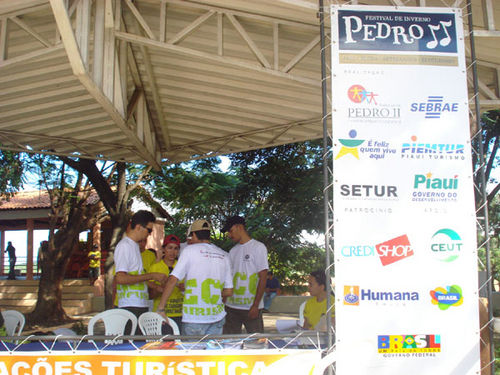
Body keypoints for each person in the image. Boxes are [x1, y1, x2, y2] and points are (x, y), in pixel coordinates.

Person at [156, 219, 233, 335]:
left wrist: (161, 308)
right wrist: (209, 292)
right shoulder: (224, 255)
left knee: (193, 352)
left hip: (195, 318)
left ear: (194, 235)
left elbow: (172, 280)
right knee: (213, 352)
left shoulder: (189, 251)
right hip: (217, 317)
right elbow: (228, 291)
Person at [114, 210, 168, 333]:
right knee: (133, 346)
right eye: (149, 230)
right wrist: (151, 275)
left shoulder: (134, 246)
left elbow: (135, 276)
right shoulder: (124, 246)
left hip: (140, 304)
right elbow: (120, 278)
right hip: (130, 306)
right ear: (138, 227)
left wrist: (155, 286)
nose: (149, 234)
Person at [222, 216, 268, 334]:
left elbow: (263, 277)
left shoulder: (258, 247)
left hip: (251, 307)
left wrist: (256, 305)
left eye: (230, 231)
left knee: (257, 343)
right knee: (229, 343)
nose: (229, 235)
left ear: (239, 227)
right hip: (231, 307)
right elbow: (229, 278)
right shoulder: (232, 251)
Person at [149, 234, 184, 329]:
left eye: (176, 248)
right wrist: (159, 288)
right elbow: (150, 295)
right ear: (163, 249)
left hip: (180, 314)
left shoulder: (182, 266)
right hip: (161, 314)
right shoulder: (154, 268)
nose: (173, 252)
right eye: (170, 248)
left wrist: (185, 287)